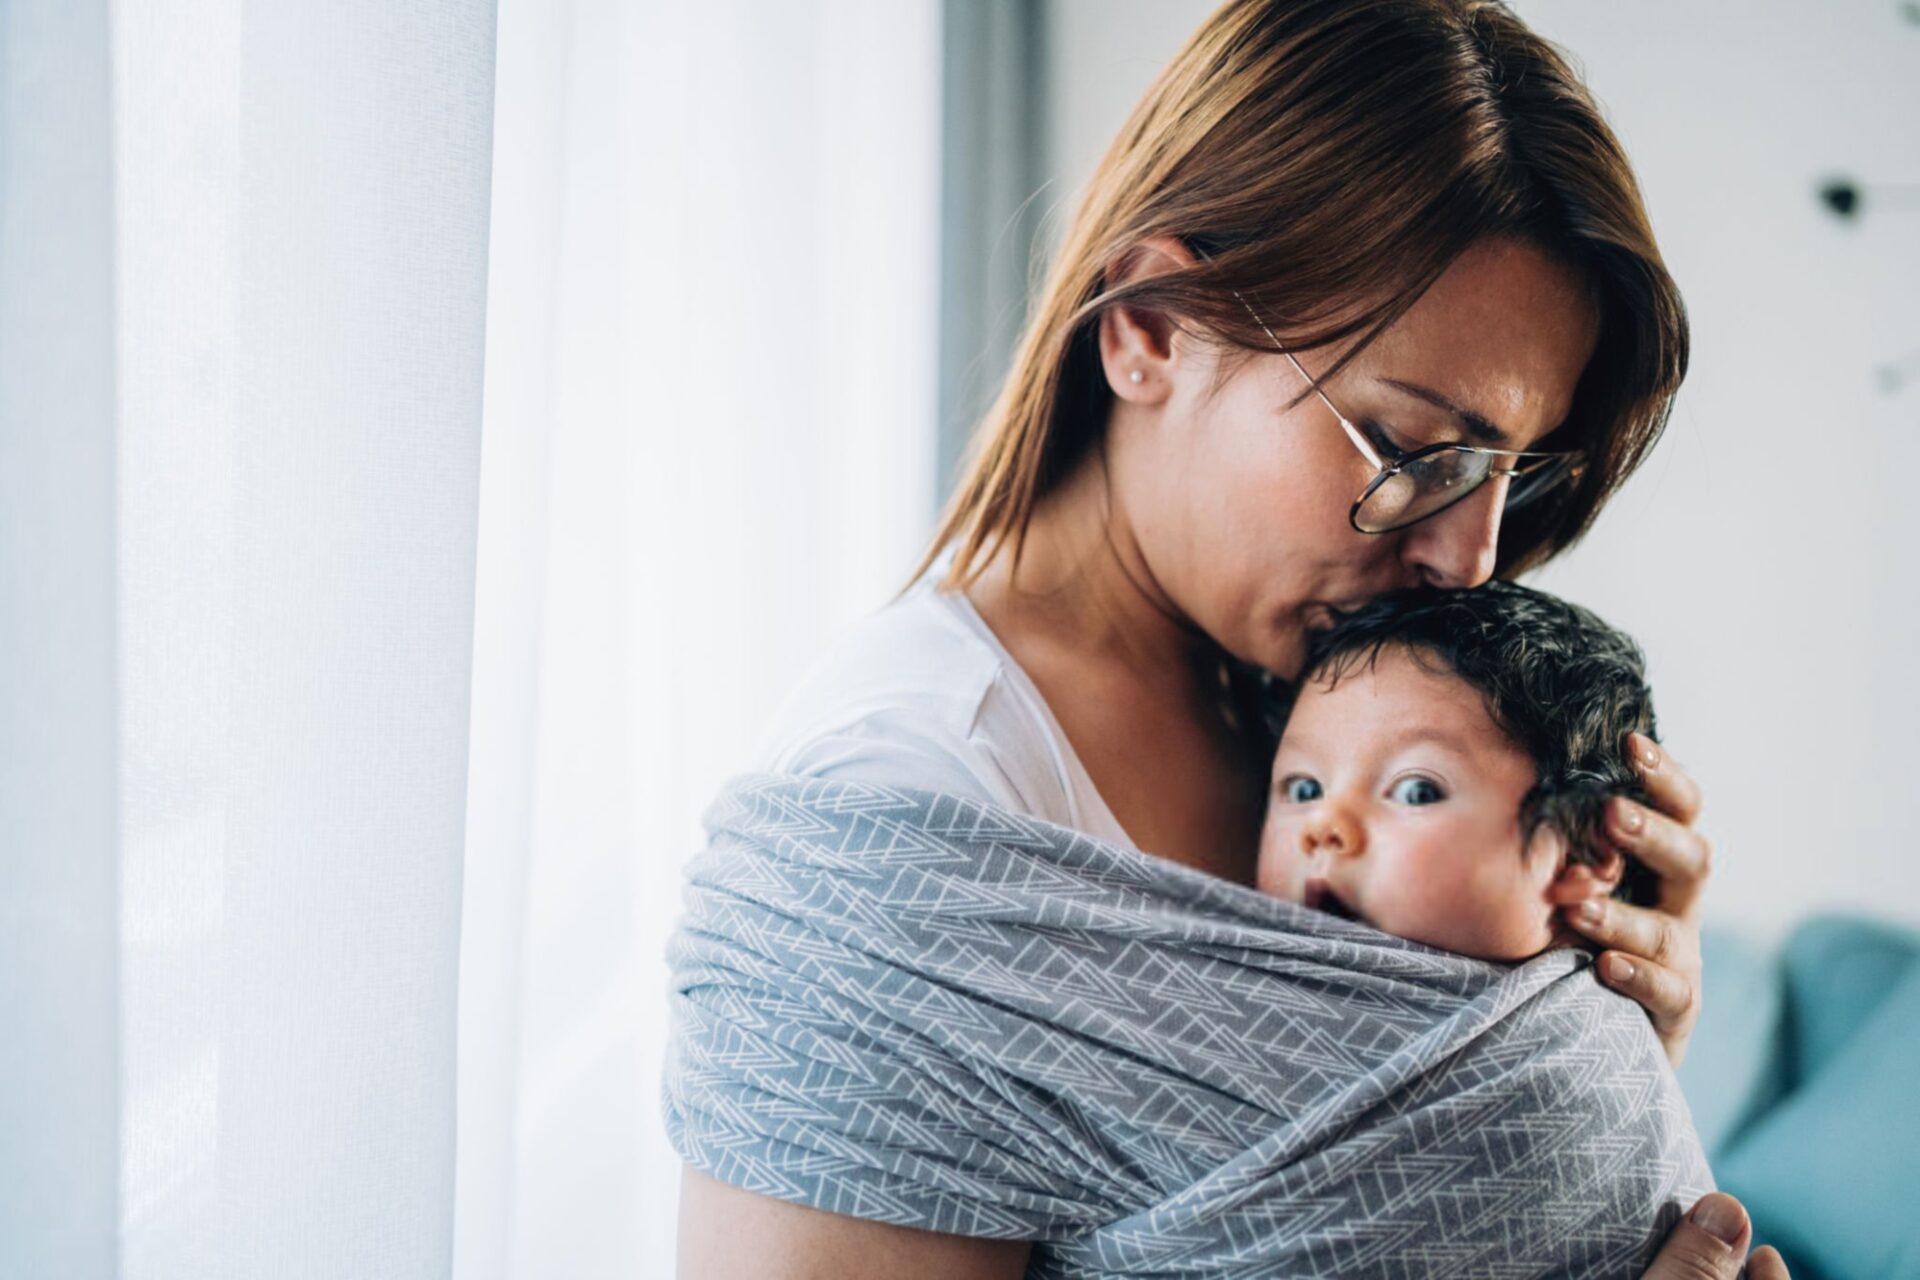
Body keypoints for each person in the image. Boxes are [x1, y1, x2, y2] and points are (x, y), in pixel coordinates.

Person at [674, 0, 1788, 1274]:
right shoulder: (907, 805)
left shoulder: (1331, 714)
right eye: (1419, 452)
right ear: (1150, 324)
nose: (1470, 556)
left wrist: (1580, 1068)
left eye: (1508, 474)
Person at [1255, 580, 1664, 961]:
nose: (1323, 825)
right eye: (1305, 789)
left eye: (1417, 791)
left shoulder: (1580, 1034)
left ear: (1580, 856)